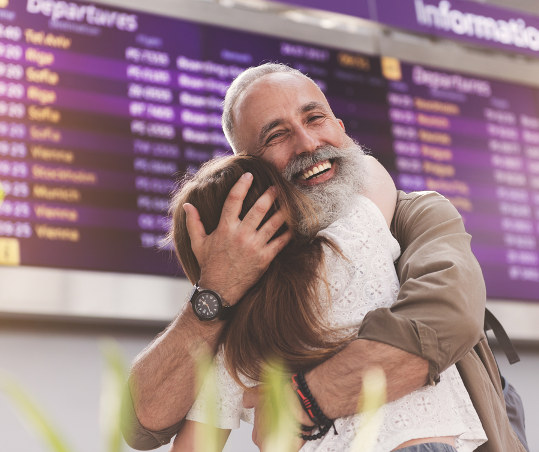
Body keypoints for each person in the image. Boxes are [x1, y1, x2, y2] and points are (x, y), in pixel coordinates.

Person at [122, 63, 526, 452]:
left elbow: (448, 320)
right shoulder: (239, 294)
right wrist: (215, 291)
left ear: (340, 129)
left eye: (315, 118)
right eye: (276, 136)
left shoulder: (414, 213)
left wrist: (300, 404)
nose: (309, 143)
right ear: (250, 170)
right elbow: (142, 426)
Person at [166, 153, 487, 451]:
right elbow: (370, 169)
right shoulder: (349, 241)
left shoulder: (236, 343)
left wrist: (216, 279)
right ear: (286, 206)